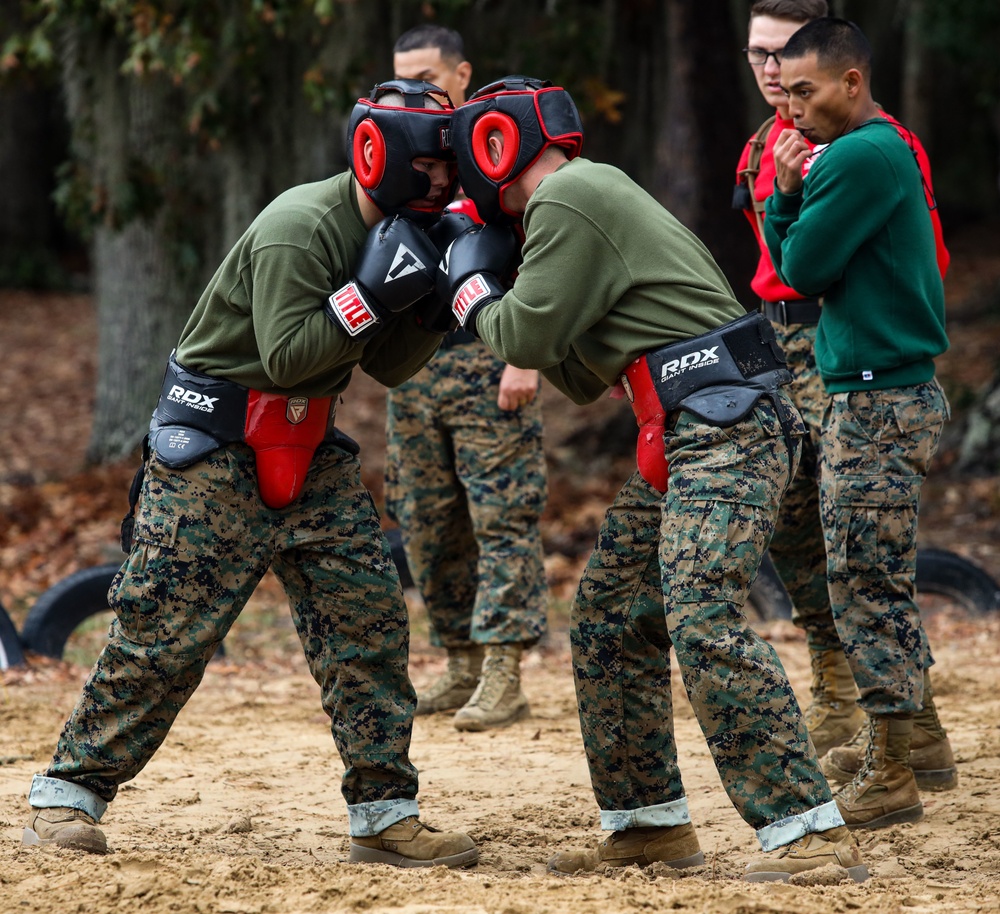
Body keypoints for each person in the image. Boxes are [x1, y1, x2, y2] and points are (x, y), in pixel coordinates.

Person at [21, 79, 479, 869]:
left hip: (312, 449)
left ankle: (384, 812)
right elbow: (289, 356)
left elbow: (388, 367)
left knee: (366, 624)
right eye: (434, 164)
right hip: (215, 448)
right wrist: (372, 293)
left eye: (451, 166)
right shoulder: (299, 227)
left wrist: (435, 306)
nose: (446, 181)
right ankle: (67, 795)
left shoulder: (405, 232)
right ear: (383, 154)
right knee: (163, 634)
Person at [438, 76, 868, 883]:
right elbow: (575, 369)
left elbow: (521, 332)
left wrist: (469, 288)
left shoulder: (567, 195)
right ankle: (648, 826)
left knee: (700, 613)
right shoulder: (582, 200)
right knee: (608, 615)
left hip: (726, 423)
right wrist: (503, 287)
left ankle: (809, 833)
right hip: (688, 425)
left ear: (494, 146)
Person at [735, 0, 957, 788]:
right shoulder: (870, 148)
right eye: (781, 87)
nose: (787, 105)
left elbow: (800, 268)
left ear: (851, 81)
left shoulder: (860, 155)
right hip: (874, 390)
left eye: (802, 89)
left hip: (877, 398)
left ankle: (889, 770)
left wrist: (784, 190)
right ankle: (916, 744)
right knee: (871, 572)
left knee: (865, 579)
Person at [385, 25, 549, 732]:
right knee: (426, 524)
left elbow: (548, 247)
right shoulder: (399, 152)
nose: (415, 91)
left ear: (461, 73)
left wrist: (527, 353)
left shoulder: (498, 144)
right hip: (419, 367)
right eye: (402, 80)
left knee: (501, 517)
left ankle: (505, 670)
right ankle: (460, 659)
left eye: (427, 76)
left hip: (490, 356)